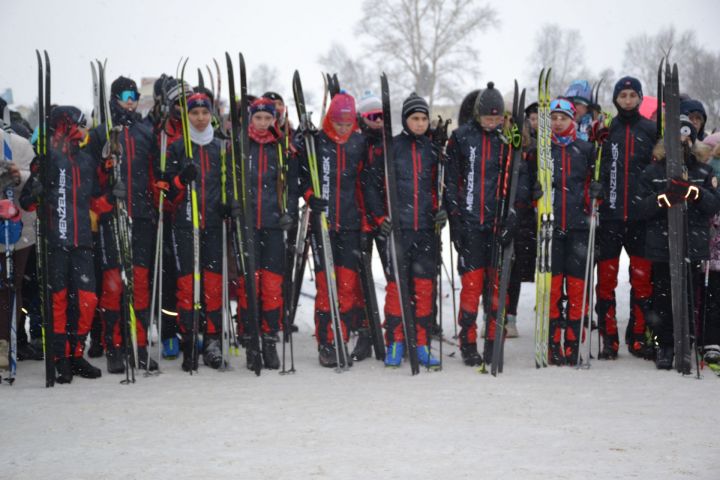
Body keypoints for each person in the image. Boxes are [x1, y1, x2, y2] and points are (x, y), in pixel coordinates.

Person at [20, 106, 104, 383]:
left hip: (82, 241)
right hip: (55, 241)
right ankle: (59, 357)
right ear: (65, 127)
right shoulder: (46, 160)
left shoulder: (86, 161)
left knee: (86, 300)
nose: (83, 130)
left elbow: (96, 201)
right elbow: (27, 202)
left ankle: (76, 352)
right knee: (57, 301)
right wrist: (37, 190)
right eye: (79, 125)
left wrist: (112, 192)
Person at [445, 82, 528, 365]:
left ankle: (494, 339)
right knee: (471, 287)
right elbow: (451, 182)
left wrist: (512, 217)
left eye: (497, 117)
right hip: (470, 225)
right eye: (487, 117)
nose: (492, 122)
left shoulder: (509, 141)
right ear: (477, 115)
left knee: (496, 289)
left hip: (497, 225)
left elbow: (521, 183)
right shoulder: (460, 138)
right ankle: (468, 341)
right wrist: (456, 222)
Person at [634, 116, 720, 370]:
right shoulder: (653, 171)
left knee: (690, 296)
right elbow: (640, 207)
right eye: (677, 135)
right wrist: (664, 198)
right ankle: (665, 344)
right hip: (662, 245)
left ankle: (688, 339)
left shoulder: (703, 171)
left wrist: (695, 193)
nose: (682, 141)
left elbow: (713, 205)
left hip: (691, 244)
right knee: (662, 297)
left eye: (686, 135)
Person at [367, 92, 445, 368]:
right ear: (405, 120)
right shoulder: (391, 148)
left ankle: (421, 343)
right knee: (397, 290)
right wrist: (380, 218)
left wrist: (440, 211)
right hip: (398, 231)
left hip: (424, 230)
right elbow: (373, 187)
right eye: (415, 118)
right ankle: (396, 342)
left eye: (424, 118)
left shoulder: (433, 150)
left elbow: (440, 187)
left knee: (424, 291)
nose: (420, 123)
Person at [87, 76, 159, 374]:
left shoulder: (146, 131)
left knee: (139, 284)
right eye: (125, 95)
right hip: (112, 216)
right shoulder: (101, 133)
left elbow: (155, 173)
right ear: (114, 99)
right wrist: (106, 196)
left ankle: (138, 346)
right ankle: (114, 345)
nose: (131, 100)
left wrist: (157, 199)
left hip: (140, 216)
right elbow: (90, 180)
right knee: (114, 285)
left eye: (134, 94)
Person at [296, 92, 372, 368]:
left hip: (350, 225)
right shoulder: (316, 142)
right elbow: (299, 175)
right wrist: (308, 194)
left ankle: (341, 336)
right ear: (329, 119)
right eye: (338, 122)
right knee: (327, 288)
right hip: (322, 226)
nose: (342, 128)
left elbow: (365, 186)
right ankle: (326, 343)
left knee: (348, 288)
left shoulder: (358, 143)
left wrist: (365, 224)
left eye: (347, 123)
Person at [165, 91, 231, 371]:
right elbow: (167, 192)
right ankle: (190, 338)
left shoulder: (220, 147)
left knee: (214, 285)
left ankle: (213, 340)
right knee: (188, 286)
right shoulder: (178, 147)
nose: (200, 118)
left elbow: (229, 182)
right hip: (185, 224)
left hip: (214, 225)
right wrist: (181, 180)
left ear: (211, 114)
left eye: (204, 113)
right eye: (195, 113)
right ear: (187, 116)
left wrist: (229, 204)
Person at [593, 76, 657, 359]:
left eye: (633, 95)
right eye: (623, 95)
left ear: (640, 98)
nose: (628, 100)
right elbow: (592, 165)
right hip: (610, 216)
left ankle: (639, 336)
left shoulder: (651, 130)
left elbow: (660, 168)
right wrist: (595, 187)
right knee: (606, 281)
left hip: (642, 217)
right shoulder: (607, 130)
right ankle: (609, 339)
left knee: (642, 281)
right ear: (616, 99)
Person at [235, 97, 297, 370]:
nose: (262, 123)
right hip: (248, 225)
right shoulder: (240, 147)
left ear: (275, 119)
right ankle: (250, 340)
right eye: (258, 118)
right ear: (251, 119)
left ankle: (270, 340)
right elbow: (231, 179)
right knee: (250, 285)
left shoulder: (282, 148)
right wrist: (233, 205)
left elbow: (292, 185)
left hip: (272, 224)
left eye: (267, 119)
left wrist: (289, 213)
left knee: (272, 287)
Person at [544, 98, 600, 365]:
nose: (557, 122)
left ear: (572, 120)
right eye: (553, 118)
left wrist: (595, 192)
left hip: (579, 226)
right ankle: (553, 342)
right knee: (553, 290)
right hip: (551, 227)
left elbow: (594, 181)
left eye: (562, 118)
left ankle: (573, 341)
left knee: (577, 289)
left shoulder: (586, 149)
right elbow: (531, 183)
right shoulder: (544, 151)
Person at [0, 126, 43, 363]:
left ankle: (7, 342)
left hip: (17, 228)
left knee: (11, 288)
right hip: (14, 226)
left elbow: (33, 180)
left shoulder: (17, 143)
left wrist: (18, 176)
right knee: (9, 289)